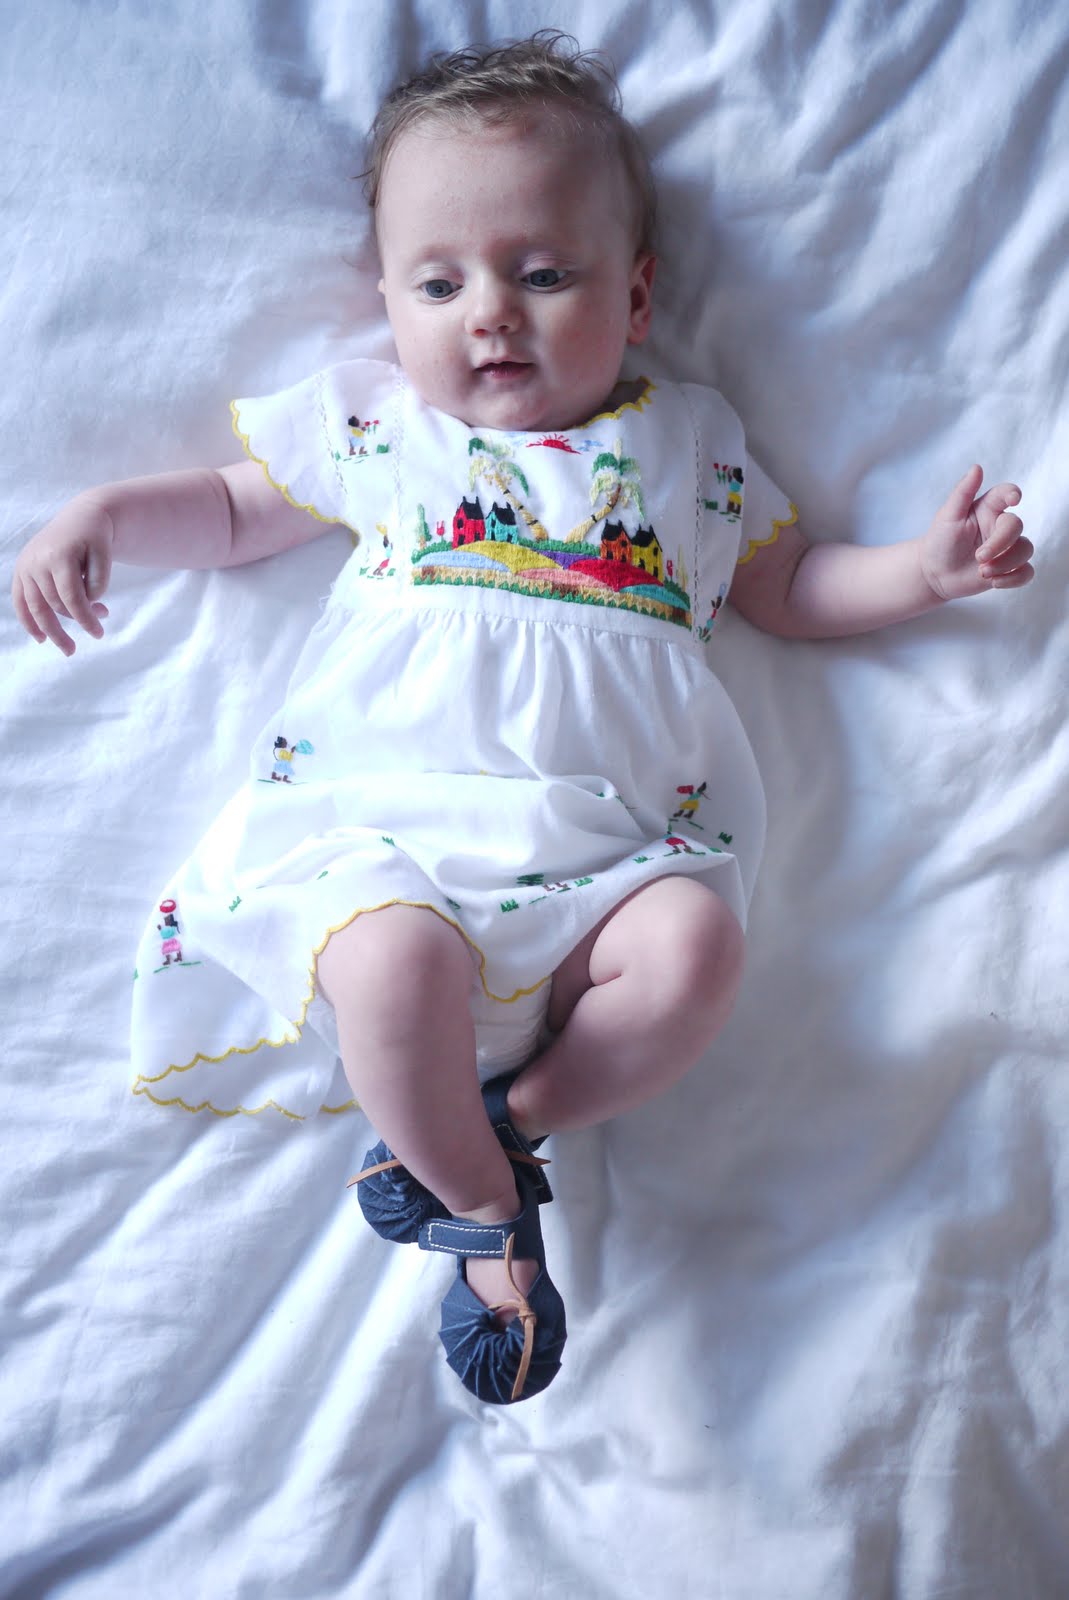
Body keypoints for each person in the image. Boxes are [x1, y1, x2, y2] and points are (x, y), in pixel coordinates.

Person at [11, 34, 1034, 1405]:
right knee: (390, 965)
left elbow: (789, 587)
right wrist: (101, 519)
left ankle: (506, 1122)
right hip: (388, 848)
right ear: (387, 299)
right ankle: (488, 1216)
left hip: (605, 868)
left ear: (636, 292)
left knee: (698, 950)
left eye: (542, 275)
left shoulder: (691, 448)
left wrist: (922, 572)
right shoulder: (386, 428)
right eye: (440, 284)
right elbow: (234, 509)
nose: (489, 314)